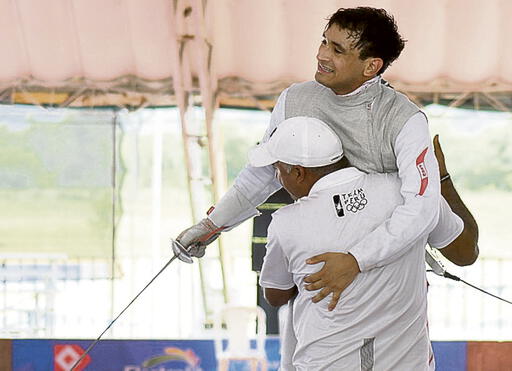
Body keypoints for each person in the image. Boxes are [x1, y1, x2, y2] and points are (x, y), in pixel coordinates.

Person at [176, 7, 479, 309]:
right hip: (329, 251)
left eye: (337, 50)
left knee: (465, 253)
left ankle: (440, 175)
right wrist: (210, 226)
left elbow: (421, 209)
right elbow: (263, 174)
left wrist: (356, 261)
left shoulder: (404, 119)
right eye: (323, 42)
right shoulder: (295, 99)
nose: (322, 55)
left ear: (371, 66)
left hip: (388, 259)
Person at [255, 116, 436, 369]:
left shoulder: (287, 222)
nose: (278, 178)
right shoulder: (401, 191)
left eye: (278, 170)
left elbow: (275, 294)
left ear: (298, 172)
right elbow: (461, 248)